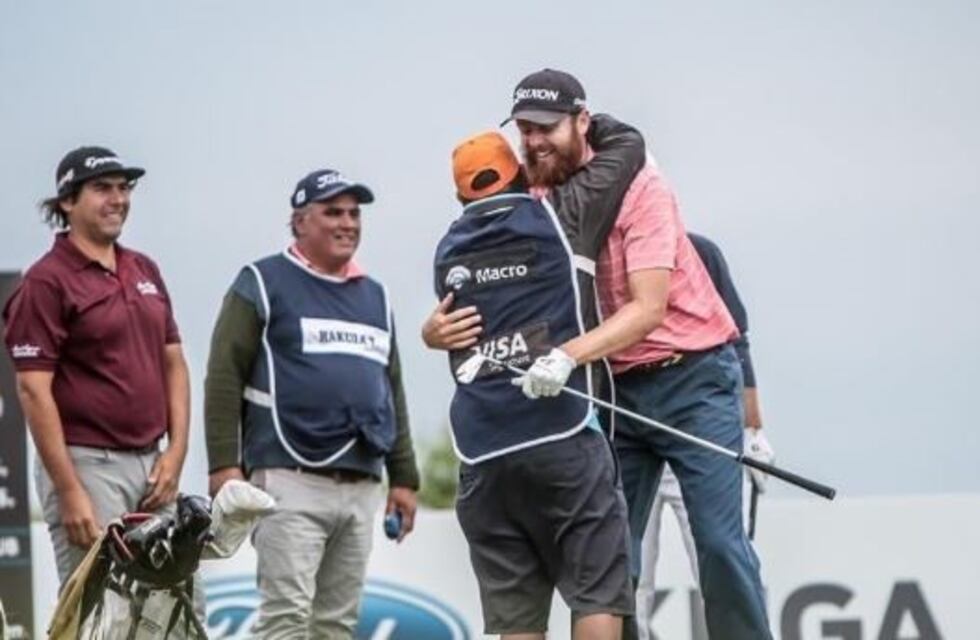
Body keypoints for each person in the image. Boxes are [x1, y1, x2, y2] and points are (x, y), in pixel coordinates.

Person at [425, 69, 772, 639]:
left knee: (718, 544)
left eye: (547, 127)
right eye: (526, 130)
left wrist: (566, 356)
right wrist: (432, 331)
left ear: (581, 122)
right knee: (618, 557)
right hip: (614, 388)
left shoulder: (644, 189)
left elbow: (648, 309)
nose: (535, 141)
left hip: (693, 377)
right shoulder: (535, 196)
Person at [431, 112, 645, 640]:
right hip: (562, 438)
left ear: (461, 199)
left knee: (517, 621)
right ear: (523, 177)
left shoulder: (447, 253)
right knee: (596, 593)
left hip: (483, 456)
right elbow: (629, 147)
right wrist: (571, 121)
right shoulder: (563, 215)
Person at [204, 168, 420, 639]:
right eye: (333, 212)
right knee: (286, 619)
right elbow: (223, 375)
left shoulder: (375, 295)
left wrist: (404, 476)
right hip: (287, 478)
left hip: (362, 481)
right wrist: (224, 466)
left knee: (337, 624)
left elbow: (391, 387)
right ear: (300, 222)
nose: (347, 223)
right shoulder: (261, 281)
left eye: (354, 213)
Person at [2, 146, 191, 586]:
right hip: (87, 465)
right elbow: (33, 390)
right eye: (102, 188)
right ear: (67, 202)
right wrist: (70, 491)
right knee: (102, 613)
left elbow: (174, 362)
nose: (118, 199)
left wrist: (176, 452)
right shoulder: (45, 281)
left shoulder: (143, 268)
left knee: (170, 610)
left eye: (124, 188)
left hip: (153, 465)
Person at [633, 232, 775, 640]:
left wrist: (752, 429)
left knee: (718, 554)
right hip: (629, 433)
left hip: (697, 433)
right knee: (631, 574)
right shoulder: (597, 254)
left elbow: (736, 343)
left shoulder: (699, 251)